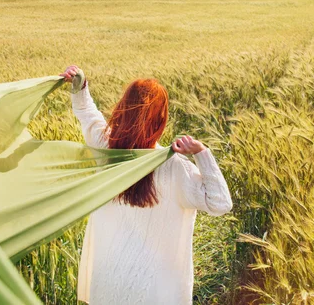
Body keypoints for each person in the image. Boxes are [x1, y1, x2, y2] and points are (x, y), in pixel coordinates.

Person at [60, 65, 232, 305]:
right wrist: (202, 153)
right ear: (161, 120)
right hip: (154, 292)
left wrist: (81, 86)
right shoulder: (176, 168)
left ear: (122, 109)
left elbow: (87, 114)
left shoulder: (106, 150)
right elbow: (221, 203)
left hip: (108, 284)